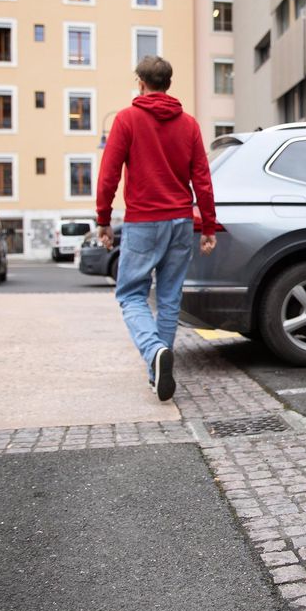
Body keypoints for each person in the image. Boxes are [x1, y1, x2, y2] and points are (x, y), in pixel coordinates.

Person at [96, 55, 217, 401]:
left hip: (144, 221)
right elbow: (202, 180)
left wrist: (103, 218)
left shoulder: (127, 119)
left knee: (131, 294)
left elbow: (109, 174)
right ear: (168, 84)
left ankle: (153, 352)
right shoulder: (189, 124)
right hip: (180, 221)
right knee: (168, 299)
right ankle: (158, 370)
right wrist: (207, 224)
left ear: (140, 82)